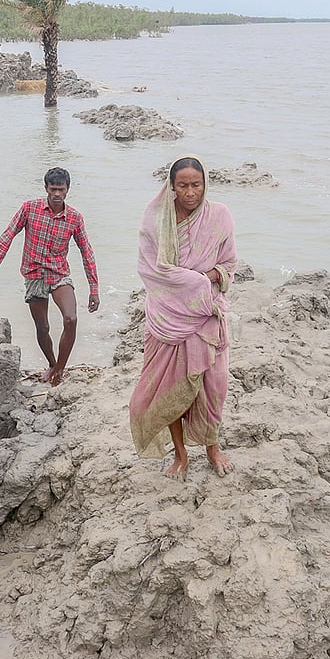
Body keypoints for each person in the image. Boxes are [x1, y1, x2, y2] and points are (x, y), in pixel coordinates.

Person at [129, 155, 236, 479]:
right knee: (170, 389)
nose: (191, 192)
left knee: (212, 387)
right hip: (167, 319)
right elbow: (150, 269)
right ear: (171, 187)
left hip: (205, 317)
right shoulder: (156, 219)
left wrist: (204, 278)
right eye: (183, 186)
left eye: (197, 185)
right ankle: (180, 454)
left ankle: (212, 447)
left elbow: (229, 266)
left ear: (205, 184)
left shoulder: (219, 216)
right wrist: (191, 281)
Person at [0, 167, 100, 386]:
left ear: (68, 190)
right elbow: (7, 237)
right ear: (46, 188)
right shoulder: (29, 209)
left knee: (71, 318)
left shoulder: (75, 218)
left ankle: (59, 371)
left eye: (61, 189)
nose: (57, 194)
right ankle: (51, 363)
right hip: (34, 274)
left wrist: (93, 289)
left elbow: (87, 252)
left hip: (59, 274)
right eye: (53, 189)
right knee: (43, 328)